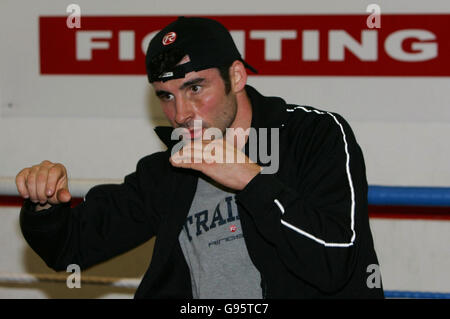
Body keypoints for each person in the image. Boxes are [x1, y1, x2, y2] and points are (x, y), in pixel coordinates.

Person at [16, 16, 383, 299]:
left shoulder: (313, 135)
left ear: (236, 76)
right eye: (166, 96)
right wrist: (44, 205)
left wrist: (252, 181)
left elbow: (336, 261)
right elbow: (71, 248)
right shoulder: (171, 169)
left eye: (195, 88)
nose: (180, 113)